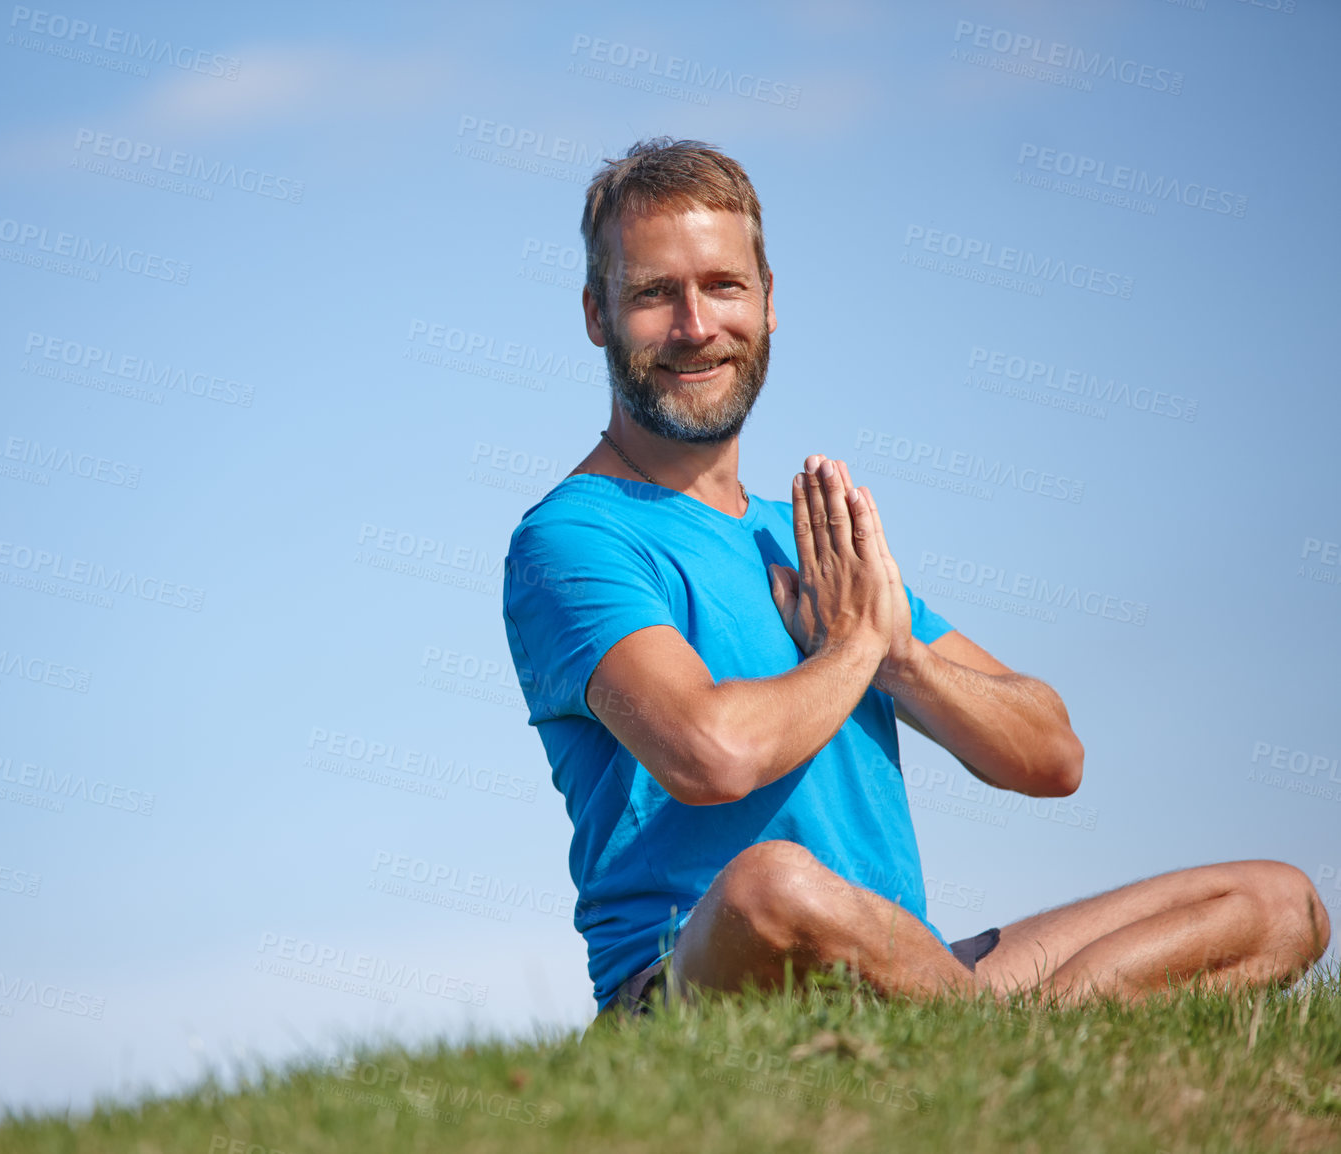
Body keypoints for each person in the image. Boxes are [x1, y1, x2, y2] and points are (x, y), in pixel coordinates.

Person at [499, 137, 1330, 1021]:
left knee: (1277, 904)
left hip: (907, 970)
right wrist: (855, 646)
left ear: (771, 303)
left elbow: (1052, 754)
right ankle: (986, 1034)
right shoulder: (573, 539)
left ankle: (974, 1031)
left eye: (724, 286)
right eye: (655, 294)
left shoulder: (808, 543)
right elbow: (713, 755)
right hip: (689, 986)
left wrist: (898, 660)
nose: (696, 327)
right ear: (597, 314)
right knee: (771, 887)